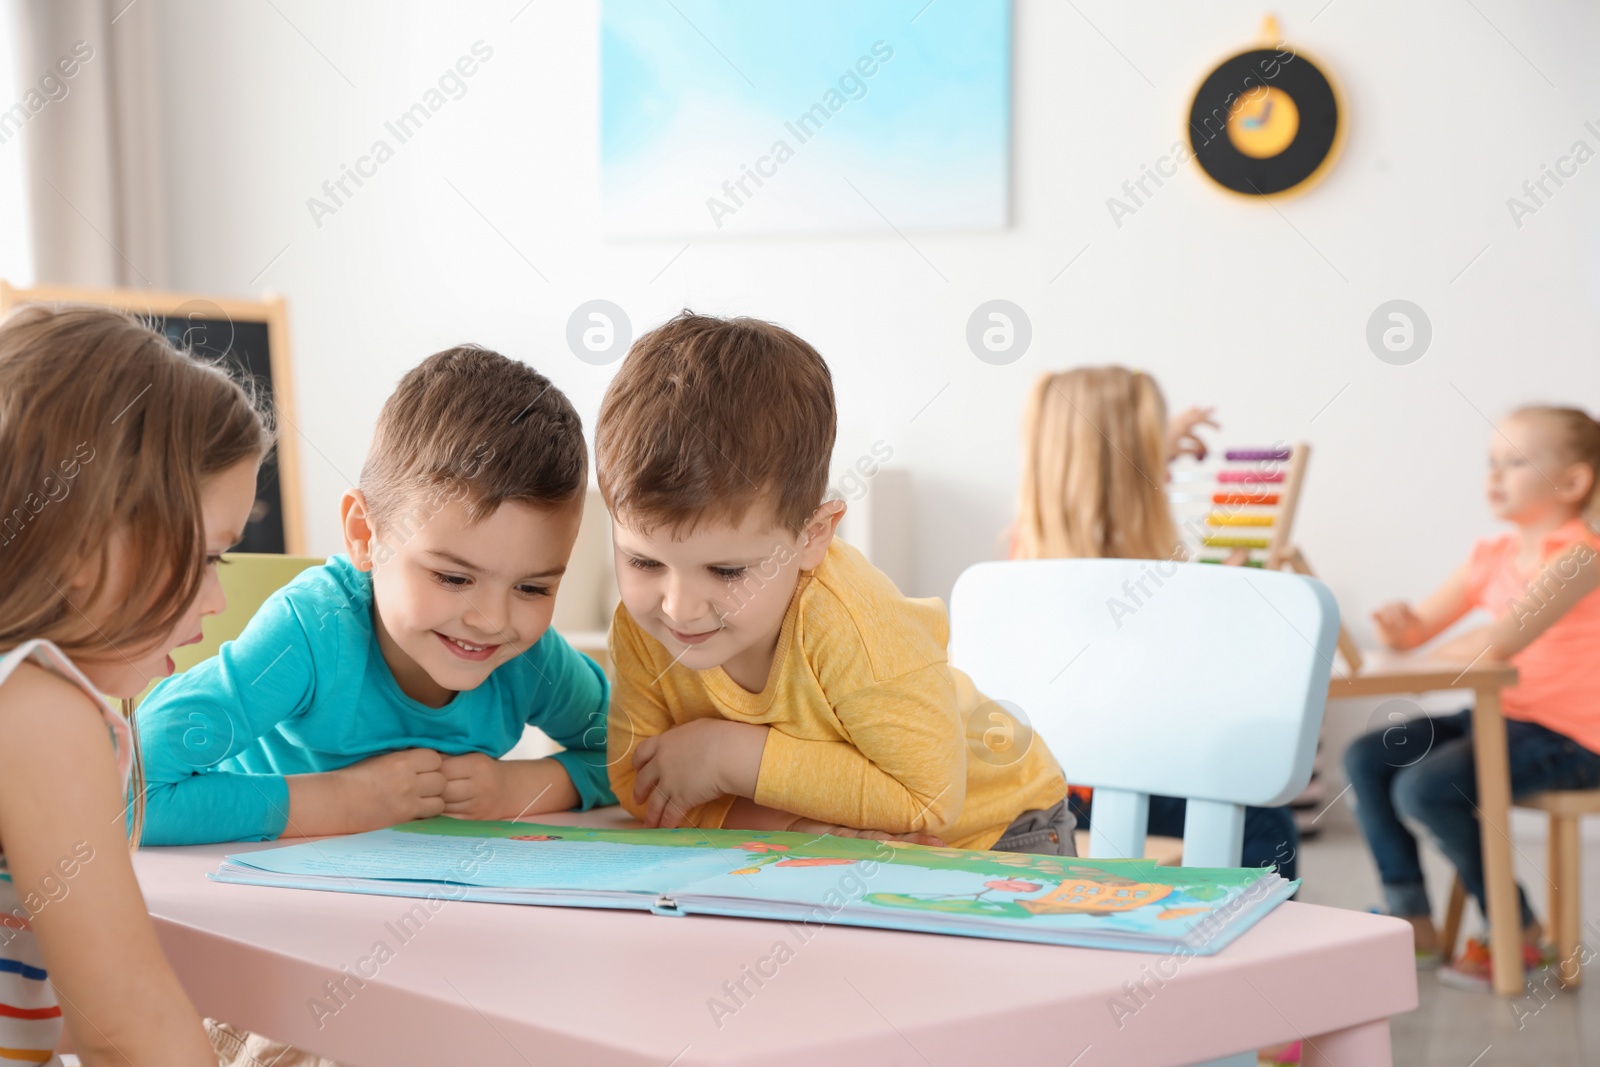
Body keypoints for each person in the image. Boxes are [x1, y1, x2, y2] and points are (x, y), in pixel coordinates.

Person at [600, 312, 1071, 854]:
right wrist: (781, 825)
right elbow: (640, 786)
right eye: (642, 562)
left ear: (812, 536)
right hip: (827, 847)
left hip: (1002, 829)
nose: (678, 608)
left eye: (727, 571)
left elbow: (931, 799)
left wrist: (725, 756)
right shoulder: (640, 629)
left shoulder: (850, 622)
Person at [137, 346, 614, 845]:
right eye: (453, 578)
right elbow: (124, 790)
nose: (493, 620)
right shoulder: (311, 633)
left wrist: (522, 787)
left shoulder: (530, 659)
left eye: (532, 588)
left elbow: (636, 751)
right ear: (365, 536)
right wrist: (340, 802)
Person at [0, 305, 266, 1064]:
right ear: (86, 539)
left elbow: (84, 1020)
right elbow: (127, 1028)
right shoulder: (38, 707)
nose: (216, 600)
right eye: (212, 555)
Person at [1345, 405, 1600, 990]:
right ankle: (1413, 918)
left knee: (1428, 787)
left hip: (1571, 739)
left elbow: (1503, 639)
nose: (1494, 475)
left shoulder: (1579, 557)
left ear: (1573, 482)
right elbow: (1419, 632)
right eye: (1491, 462)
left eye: (1514, 462)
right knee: (1367, 756)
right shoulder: (1492, 556)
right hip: (1502, 716)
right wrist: (1397, 629)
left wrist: (1446, 651)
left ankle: (1518, 928)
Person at [1013, 366, 1300, 878]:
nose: (1168, 474)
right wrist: (1217, 601)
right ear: (1130, 468)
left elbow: (1099, 479)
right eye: (1153, 457)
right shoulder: (1133, 576)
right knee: (1264, 820)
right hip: (1098, 790)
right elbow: (1175, 696)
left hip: (1038, 788)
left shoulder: (1028, 556)